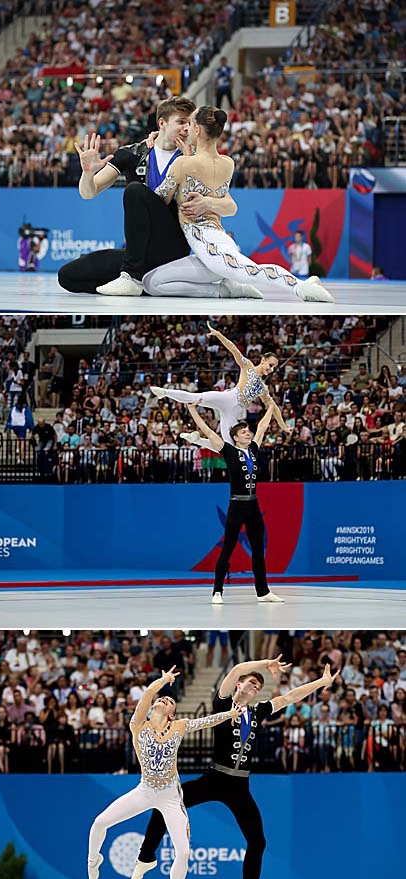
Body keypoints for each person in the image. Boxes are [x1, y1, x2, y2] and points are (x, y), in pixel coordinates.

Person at [129, 656, 340, 879]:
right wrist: (264, 664)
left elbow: (291, 696)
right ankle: (146, 856)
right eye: (251, 683)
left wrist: (322, 682)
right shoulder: (223, 703)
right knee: (164, 803)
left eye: (257, 687)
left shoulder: (259, 710)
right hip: (215, 777)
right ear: (239, 684)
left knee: (258, 841)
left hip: (240, 786)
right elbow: (239, 669)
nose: (254, 687)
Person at [87, 665, 240, 879]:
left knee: (183, 852)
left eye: (169, 701)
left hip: (170, 797)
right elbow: (147, 694)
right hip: (144, 791)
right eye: (162, 698)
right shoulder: (138, 725)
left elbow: (206, 721)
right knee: (99, 822)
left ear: (173, 713)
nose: (163, 700)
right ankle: (93, 860)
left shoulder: (179, 727)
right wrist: (164, 681)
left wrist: (230, 714)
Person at [149, 105, 333, 304]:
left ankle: (302, 286)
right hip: (212, 246)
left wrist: (156, 146)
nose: (186, 129)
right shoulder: (226, 163)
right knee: (152, 282)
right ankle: (224, 290)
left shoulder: (183, 164)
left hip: (211, 246)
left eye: (190, 124)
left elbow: (157, 198)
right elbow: (230, 206)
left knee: (252, 271)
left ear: (198, 130)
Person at [58, 96, 236, 298]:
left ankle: (132, 278)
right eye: (180, 122)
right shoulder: (132, 153)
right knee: (68, 276)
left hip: (172, 247)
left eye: (189, 123)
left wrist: (207, 202)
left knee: (135, 191)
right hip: (137, 254)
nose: (186, 128)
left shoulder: (195, 159)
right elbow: (88, 193)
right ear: (162, 123)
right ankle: (146, 283)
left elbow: (229, 204)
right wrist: (88, 173)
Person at [184, 402, 282, 605]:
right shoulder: (228, 451)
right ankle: (217, 591)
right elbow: (208, 431)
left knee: (258, 550)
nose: (248, 433)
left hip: (253, 506)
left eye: (248, 431)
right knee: (227, 548)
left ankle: (262, 591)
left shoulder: (254, 449)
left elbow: (263, 426)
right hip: (236, 507)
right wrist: (193, 409)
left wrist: (271, 406)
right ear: (236, 437)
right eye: (244, 432)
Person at [150, 321, 289, 443]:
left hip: (233, 413)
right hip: (228, 398)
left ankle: (198, 440)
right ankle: (165, 392)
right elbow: (234, 349)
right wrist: (218, 335)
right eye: (270, 365)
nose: (271, 369)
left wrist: (284, 427)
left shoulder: (263, 388)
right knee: (195, 397)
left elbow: (274, 408)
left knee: (229, 447)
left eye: (274, 367)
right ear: (263, 360)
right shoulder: (248, 366)